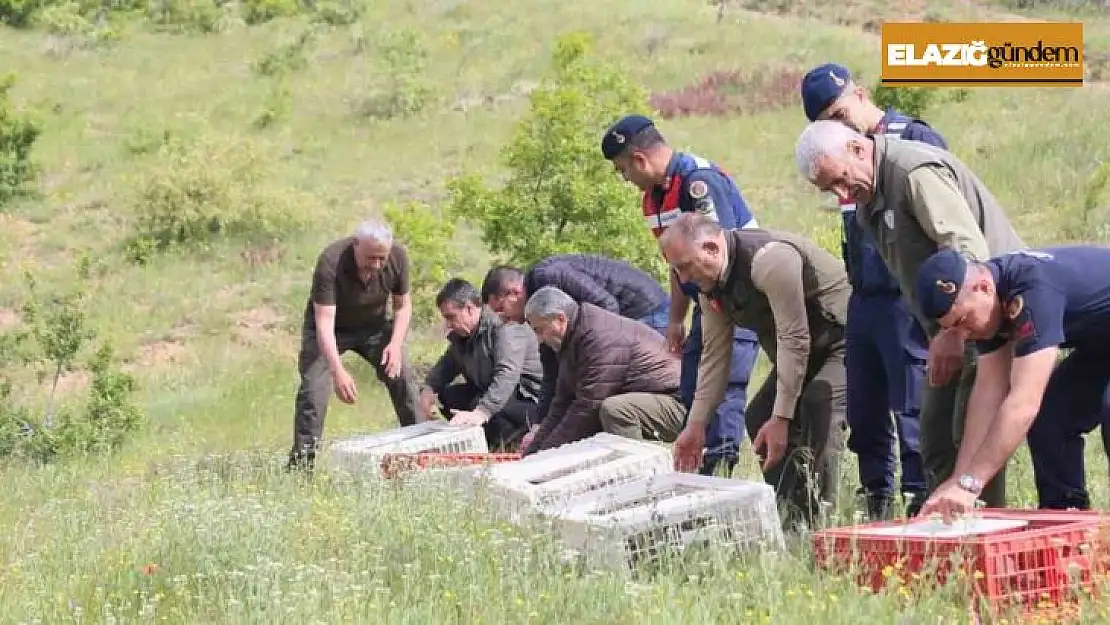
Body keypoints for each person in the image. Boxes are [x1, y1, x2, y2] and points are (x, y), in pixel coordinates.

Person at [794, 119, 1026, 509]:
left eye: (840, 179)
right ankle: (949, 540)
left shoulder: (912, 174)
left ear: (857, 149)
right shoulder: (868, 199)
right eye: (829, 189)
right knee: (933, 439)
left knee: (969, 434)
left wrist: (952, 334)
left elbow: (969, 253)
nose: (840, 193)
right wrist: (939, 333)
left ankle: (986, 539)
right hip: (950, 327)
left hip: (989, 318)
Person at [800, 62, 949, 519]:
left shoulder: (912, 138)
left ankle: (920, 500)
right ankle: (878, 505)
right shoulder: (840, 157)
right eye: (827, 121)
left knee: (912, 408)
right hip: (864, 296)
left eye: (840, 112)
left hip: (908, 297)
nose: (838, 125)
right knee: (864, 413)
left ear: (861, 95)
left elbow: (941, 225)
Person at [660, 213, 849, 527]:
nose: (683, 279)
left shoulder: (769, 260)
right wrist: (696, 426)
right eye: (676, 269)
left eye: (685, 266)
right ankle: (793, 522)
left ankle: (825, 528)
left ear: (710, 248)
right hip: (803, 353)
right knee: (758, 416)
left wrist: (783, 417)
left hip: (843, 341)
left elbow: (795, 339)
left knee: (820, 404)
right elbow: (715, 357)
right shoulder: (710, 285)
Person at [601, 113, 761, 476]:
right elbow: (678, 265)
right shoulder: (653, 200)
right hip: (705, 304)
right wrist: (675, 319)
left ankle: (720, 476)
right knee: (692, 390)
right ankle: (700, 469)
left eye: (623, 170)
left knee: (724, 390)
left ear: (639, 159)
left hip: (737, 300)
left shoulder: (697, 183)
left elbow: (722, 257)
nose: (625, 179)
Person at [912, 247, 1110, 520]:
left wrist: (971, 484)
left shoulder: (1032, 291)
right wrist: (959, 478)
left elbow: (1023, 403)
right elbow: (989, 392)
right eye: (952, 329)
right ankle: (1066, 522)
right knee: (1052, 416)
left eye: (962, 321)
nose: (963, 335)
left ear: (982, 287)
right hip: (1101, 341)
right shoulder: (988, 305)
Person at [481, 255, 672, 446]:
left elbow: (608, 312)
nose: (504, 320)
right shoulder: (543, 316)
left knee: (609, 393)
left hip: (645, 308)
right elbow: (552, 371)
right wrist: (539, 425)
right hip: (619, 320)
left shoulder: (548, 277)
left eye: (501, 310)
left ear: (514, 293)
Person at [288, 218, 422, 470]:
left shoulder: (398, 258)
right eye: (371, 257)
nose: (377, 264)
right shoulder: (331, 261)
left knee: (403, 376)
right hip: (331, 330)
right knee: (313, 392)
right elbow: (324, 322)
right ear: (355, 245)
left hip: (374, 327)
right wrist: (338, 371)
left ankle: (425, 452)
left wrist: (394, 345)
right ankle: (301, 467)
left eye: (382, 258)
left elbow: (402, 307)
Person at [521, 286, 685, 454]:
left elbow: (588, 407)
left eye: (539, 330)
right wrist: (532, 455)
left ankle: (639, 472)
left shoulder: (599, 337)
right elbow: (561, 403)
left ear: (560, 319)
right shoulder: (573, 337)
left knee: (616, 410)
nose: (539, 339)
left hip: (678, 402)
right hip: (651, 399)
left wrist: (547, 455)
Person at [420, 278, 544, 451]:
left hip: (529, 401)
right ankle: (482, 440)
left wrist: (482, 412)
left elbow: (506, 375)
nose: (448, 324)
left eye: (451, 317)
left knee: (478, 403)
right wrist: (429, 388)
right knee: (449, 397)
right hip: (497, 396)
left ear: (470, 308)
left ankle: (507, 444)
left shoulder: (505, 328)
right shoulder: (464, 336)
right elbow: (447, 365)